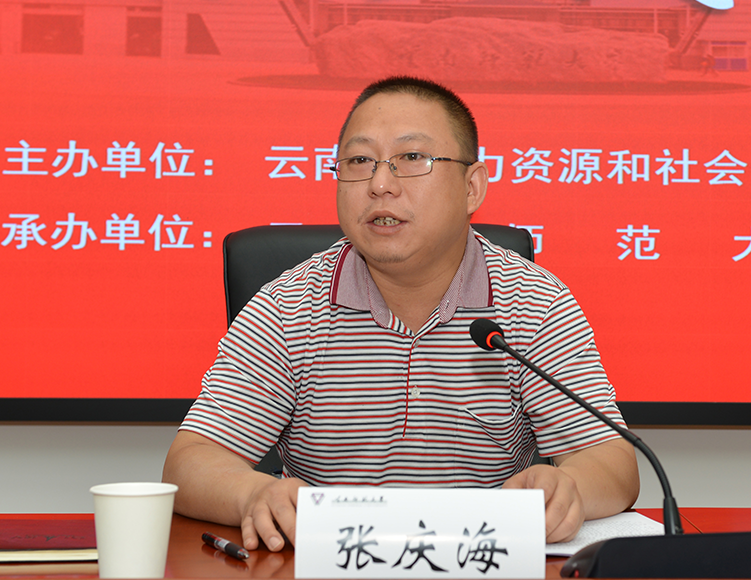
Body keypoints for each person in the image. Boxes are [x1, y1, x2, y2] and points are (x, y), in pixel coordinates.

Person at [162, 76, 639, 553]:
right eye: (359, 161)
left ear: (472, 187)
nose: (380, 185)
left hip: (480, 562)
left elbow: (612, 462)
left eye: (412, 158)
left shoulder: (533, 302)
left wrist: (569, 489)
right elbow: (190, 462)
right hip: (332, 562)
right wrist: (253, 493)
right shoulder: (289, 307)